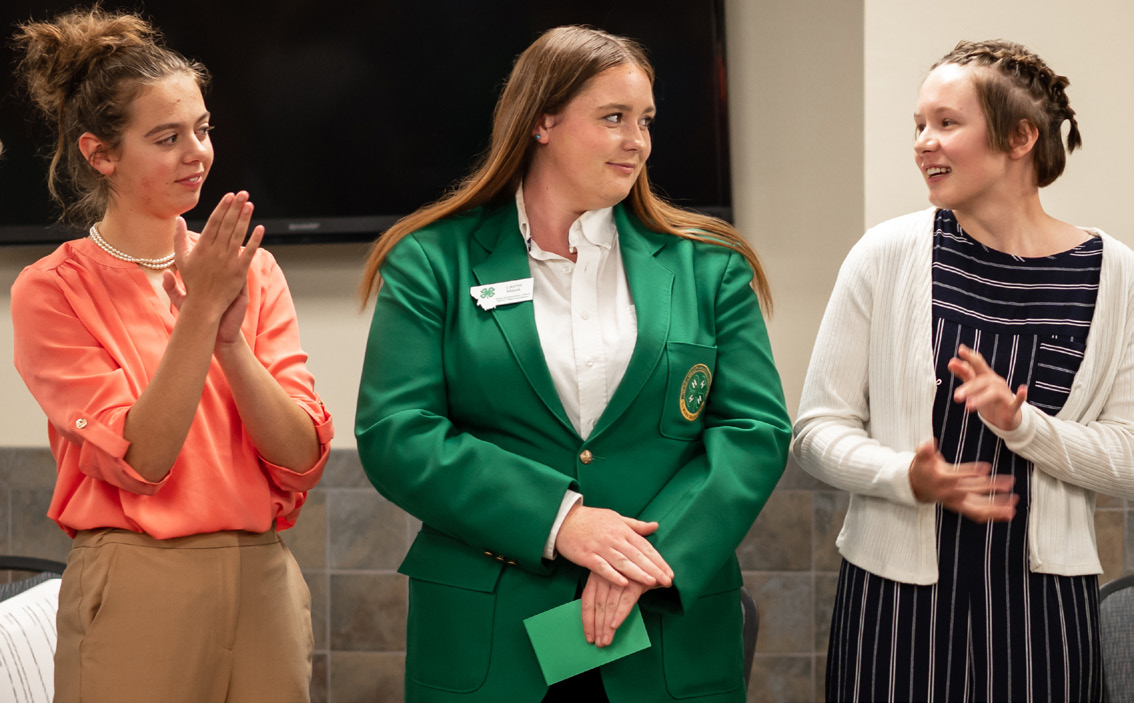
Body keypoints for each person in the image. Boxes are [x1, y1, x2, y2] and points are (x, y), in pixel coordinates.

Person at [355, 25, 791, 703]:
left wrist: (640, 560)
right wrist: (563, 520)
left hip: (662, 634)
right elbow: (397, 432)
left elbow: (753, 432)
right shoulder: (430, 260)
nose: (637, 141)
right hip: (489, 640)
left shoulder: (709, 266)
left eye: (644, 120)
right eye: (613, 118)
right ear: (542, 122)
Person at [793, 39, 1134, 702]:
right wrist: (905, 476)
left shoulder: (1118, 276)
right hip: (893, 603)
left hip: (1044, 610)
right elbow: (816, 429)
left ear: (1021, 137)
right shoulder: (884, 255)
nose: (924, 142)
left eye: (947, 123)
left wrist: (1023, 424)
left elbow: (1130, 456)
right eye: (919, 125)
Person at [9, 8, 333, 703]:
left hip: (263, 577)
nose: (198, 153)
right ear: (100, 153)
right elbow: (142, 460)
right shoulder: (52, 291)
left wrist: (228, 339)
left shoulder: (255, 271)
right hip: (136, 578)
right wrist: (201, 312)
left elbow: (301, 457)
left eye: (203, 128)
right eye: (167, 137)